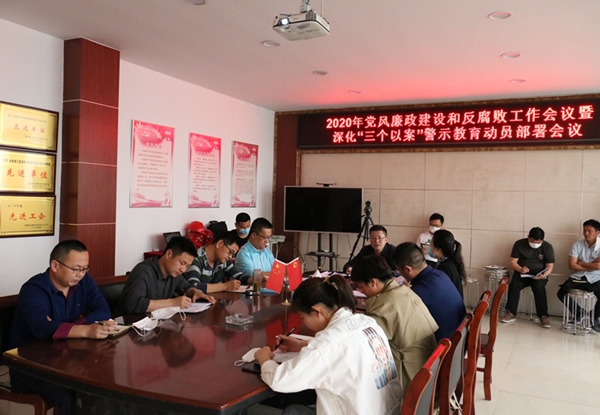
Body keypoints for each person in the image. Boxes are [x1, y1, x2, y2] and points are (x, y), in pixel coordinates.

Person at [254, 275, 402, 415]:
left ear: (317, 311)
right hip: (387, 410)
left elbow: (280, 381)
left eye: (303, 317)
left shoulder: (325, 345)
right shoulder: (367, 322)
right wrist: (302, 344)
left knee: (293, 411)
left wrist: (264, 358)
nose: (303, 322)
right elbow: (344, 346)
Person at [9, 240, 116, 415]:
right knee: (71, 394)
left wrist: (68, 327)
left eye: (85, 268)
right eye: (76, 269)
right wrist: (85, 329)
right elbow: (42, 328)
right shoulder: (33, 289)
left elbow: (103, 310)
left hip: (67, 356)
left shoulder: (84, 282)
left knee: (102, 384)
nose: (80, 274)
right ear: (55, 265)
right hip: (31, 365)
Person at [350, 255, 438, 394]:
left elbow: (364, 344)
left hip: (412, 379)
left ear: (373, 282)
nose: (361, 292)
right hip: (429, 368)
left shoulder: (382, 306)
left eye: (361, 287)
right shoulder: (404, 290)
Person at [115, 236, 215, 316]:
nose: (183, 270)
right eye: (182, 263)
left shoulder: (174, 273)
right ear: (168, 254)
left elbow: (186, 286)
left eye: (187, 266)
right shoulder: (143, 271)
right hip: (127, 325)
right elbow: (134, 304)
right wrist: (173, 303)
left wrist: (195, 292)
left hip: (153, 324)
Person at [392, 242, 466, 342]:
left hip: (445, 346)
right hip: (458, 337)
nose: (399, 273)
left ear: (408, 269)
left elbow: (401, 319)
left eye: (398, 270)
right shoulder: (439, 274)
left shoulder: (420, 291)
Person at [501, 227, 555, 328]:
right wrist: (520, 268)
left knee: (539, 288)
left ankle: (543, 316)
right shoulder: (519, 244)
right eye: (533, 242)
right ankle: (510, 313)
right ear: (528, 237)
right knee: (514, 285)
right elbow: (513, 261)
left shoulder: (547, 247)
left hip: (539, 275)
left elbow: (550, 266)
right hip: (522, 274)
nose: (536, 244)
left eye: (538, 242)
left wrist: (544, 275)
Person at [557, 219, 600, 332]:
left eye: (589, 231)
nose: (586, 233)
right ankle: (579, 312)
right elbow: (572, 265)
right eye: (584, 230)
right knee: (561, 292)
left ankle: (594, 317)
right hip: (579, 276)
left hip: (596, 277)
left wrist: (580, 263)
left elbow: (598, 267)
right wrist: (591, 265)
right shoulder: (577, 245)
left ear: (598, 232)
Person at [184, 233, 252, 293]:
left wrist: (253, 280)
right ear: (220, 243)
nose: (230, 257)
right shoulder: (196, 258)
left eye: (233, 255)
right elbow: (193, 286)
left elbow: (237, 276)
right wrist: (225, 286)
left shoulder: (223, 260)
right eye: (230, 252)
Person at [431, 229, 466, 298]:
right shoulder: (450, 262)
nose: (429, 249)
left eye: (431, 246)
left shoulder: (444, 268)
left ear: (438, 249)